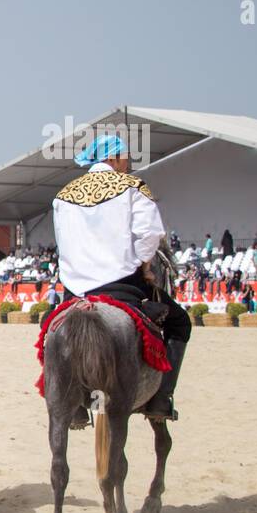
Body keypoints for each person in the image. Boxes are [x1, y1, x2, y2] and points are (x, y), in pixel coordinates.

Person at [52, 134, 190, 423]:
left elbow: (64, 242)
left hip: (76, 288)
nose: (128, 162)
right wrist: (145, 265)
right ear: (112, 158)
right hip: (121, 283)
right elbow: (150, 234)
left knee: (51, 334)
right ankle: (161, 398)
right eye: (125, 157)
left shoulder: (63, 195)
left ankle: (73, 402)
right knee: (179, 322)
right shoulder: (132, 186)